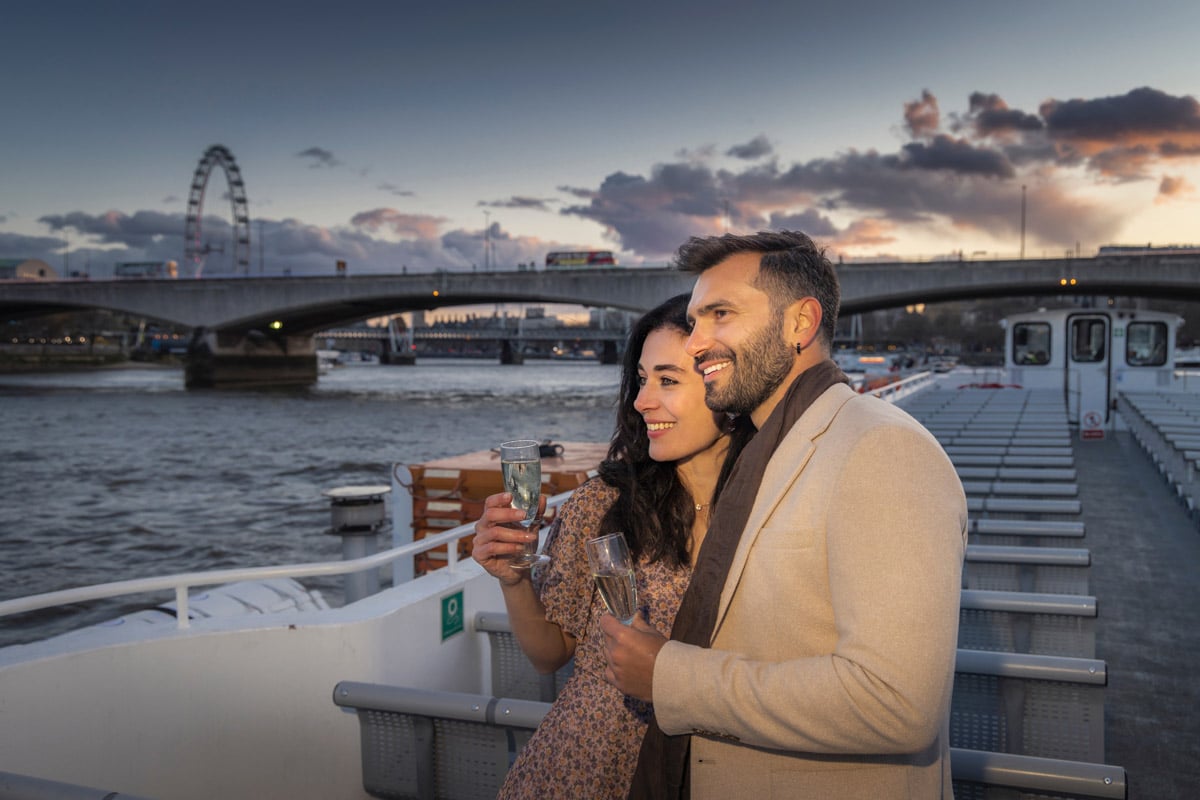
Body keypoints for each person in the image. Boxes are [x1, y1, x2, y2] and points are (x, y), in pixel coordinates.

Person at [601, 231, 968, 799]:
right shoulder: (767, 449)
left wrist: (670, 677)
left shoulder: (881, 448)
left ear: (801, 323)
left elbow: (897, 703)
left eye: (720, 314)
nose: (697, 343)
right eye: (696, 321)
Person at [471, 294, 753, 799]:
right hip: (585, 765)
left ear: (726, 391)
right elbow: (548, 654)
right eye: (642, 380)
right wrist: (512, 579)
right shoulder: (602, 502)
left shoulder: (773, 508)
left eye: (668, 380)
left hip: (717, 768)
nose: (642, 400)